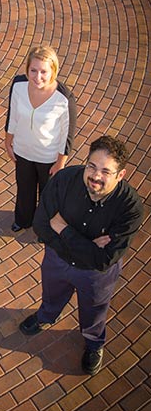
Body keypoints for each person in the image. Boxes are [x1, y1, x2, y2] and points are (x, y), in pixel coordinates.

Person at [19, 135, 144, 376]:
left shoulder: (130, 208)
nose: (96, 176)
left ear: (121, 175)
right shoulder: (64, 180)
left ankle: (93, 342)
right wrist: (88, 245)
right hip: (57, 260)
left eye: (106, 171)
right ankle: (46, 316)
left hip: (95, 275)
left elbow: (104, 259)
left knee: (94, 309)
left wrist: (64, 229)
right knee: (51, 293)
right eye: (92, 166)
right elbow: (41, 225)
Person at [5, 45, 77, 233]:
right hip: (23, 152)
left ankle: (44, 227)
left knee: (48, 196)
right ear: (27, 69)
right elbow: (12, 114)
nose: (38, 77)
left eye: (44, 71)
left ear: (53, 70)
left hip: (48, 158)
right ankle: (23, 220)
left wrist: (60, 162)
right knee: (24, 190)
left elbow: (67, 134)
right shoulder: (18, 85)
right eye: (33, 70)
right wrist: (8, 141)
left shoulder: (64, 98)